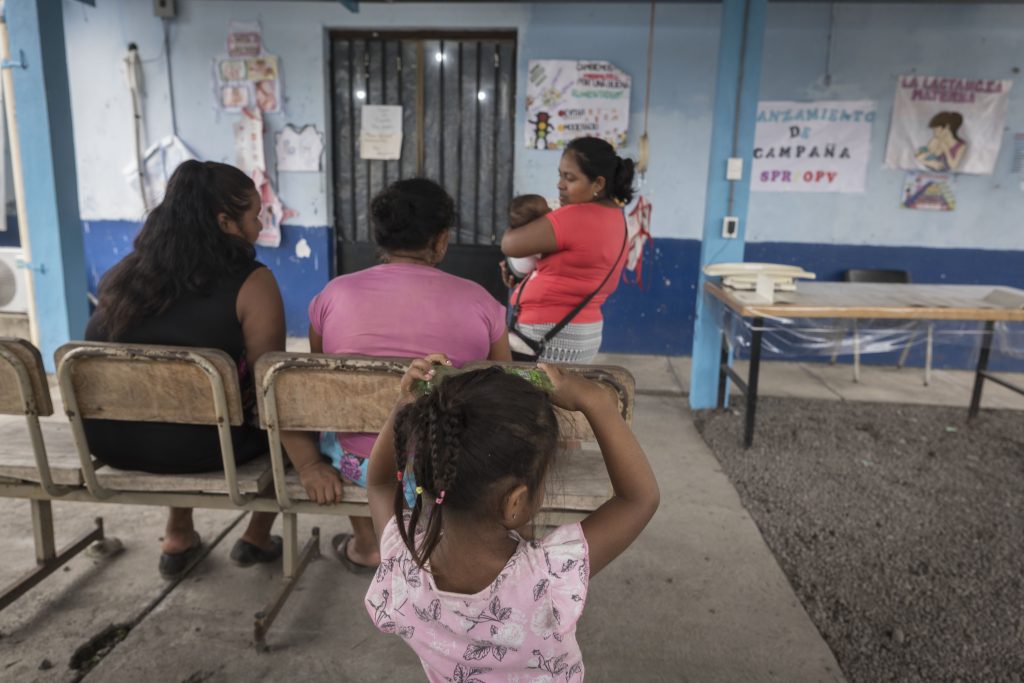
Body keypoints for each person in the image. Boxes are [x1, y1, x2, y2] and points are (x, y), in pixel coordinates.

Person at [85, 160, 342, 579]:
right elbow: (270, 388)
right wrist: (311, 465)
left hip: (112, 441)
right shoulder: (252, 282)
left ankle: (178, 534)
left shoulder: (122, 275)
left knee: (180, 403)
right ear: (225, 222)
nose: (261, 227)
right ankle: (256, 538)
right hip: (203, 448)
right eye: (255, 217)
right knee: (294, 420)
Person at [363, 357, 660, 681]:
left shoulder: (402, 559)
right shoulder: (547, 578)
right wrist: (596, 401)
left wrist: (405, 406)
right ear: (515, 502)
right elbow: (638, 499)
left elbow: (378, 484)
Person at [307, 178, 511, 573]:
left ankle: (368, 544)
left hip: (362, 466)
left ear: (379, 237)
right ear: (441, 240)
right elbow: (502, 387)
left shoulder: (333, 295)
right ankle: (437, 545)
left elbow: (320, 384)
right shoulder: (482, 302)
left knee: (341, 425)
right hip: (452, 468)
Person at [501, 137, 633, 364]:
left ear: (598, 184)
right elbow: (573, 274)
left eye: (569, 178)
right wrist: (525, 282)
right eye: (560, 175)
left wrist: (519, 217)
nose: (560, 184)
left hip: (547, 335)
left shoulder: (575, 216)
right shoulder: (617, 218)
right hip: (582, 333)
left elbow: (510, 244)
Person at [501, 194, 551, 283]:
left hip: (512, 263)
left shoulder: (522, 232)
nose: (551, 210)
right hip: (518, 276)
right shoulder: (533, 240)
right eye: (547, 210)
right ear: (535, 223)